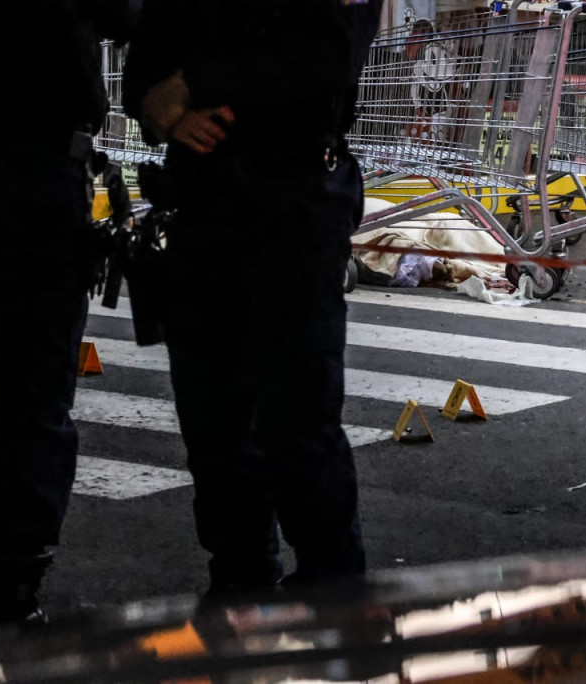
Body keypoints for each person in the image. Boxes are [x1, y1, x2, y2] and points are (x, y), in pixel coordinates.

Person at [122, 0, 383, 597]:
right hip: (203, 199)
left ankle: (331, 594)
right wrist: (163, 113)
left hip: (294, 200)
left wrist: (191, 85)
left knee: (297, 416)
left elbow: (326, 56)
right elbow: (146, 69)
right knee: (212, 418)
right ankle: (239, 582)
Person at [0, 1, 136, 628]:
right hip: (36, 178)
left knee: (33, 397)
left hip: (26, 168)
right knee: (32, 396)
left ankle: (15, 581)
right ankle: (12, 590)